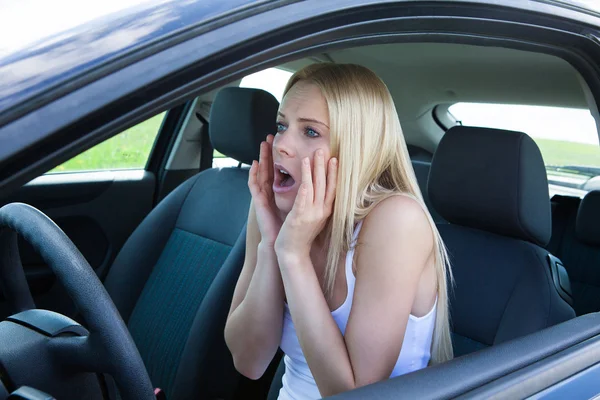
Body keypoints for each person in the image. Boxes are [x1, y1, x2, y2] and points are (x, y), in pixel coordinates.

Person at [224, 63, 453, 400]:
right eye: (281, 125)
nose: (281, 144)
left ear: (354, 148)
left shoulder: (396, 221)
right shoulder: (272, 209)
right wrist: (272, 243)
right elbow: (249, 361)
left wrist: (293, 255)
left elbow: (353, 394)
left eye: (311, 132)